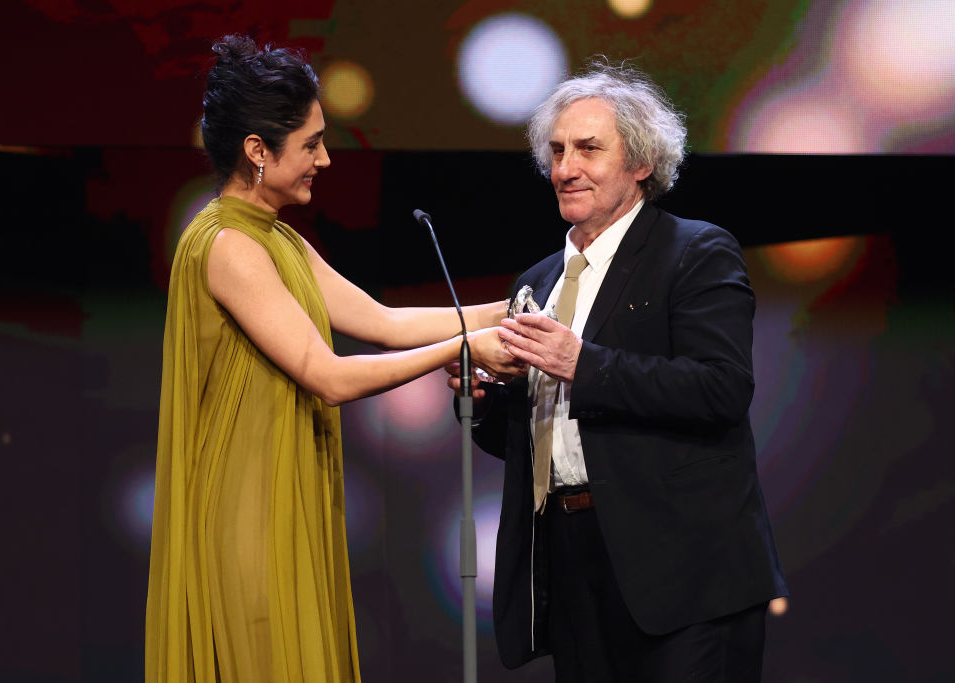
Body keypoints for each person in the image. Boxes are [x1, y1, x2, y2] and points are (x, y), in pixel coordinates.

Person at [145, 35, 520, 683]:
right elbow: (328, 375)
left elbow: (381, 321)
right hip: (248, 514)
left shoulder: (277, 238)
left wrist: (511, 306)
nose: (325, 158)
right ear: (258, 152)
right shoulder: (229, 246)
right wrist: (465, 347)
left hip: (283, 497)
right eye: (311, 144)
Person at [446, 61, 788, 681]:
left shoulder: (695, 251)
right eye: (555, 151)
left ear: (642, 163)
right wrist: (486, 399)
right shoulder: (536, 283)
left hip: (684, 571)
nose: (564, 168)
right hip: (570, 563)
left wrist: (583, 364)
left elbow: (721, 388)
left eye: (588, 149)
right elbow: (527, 442)